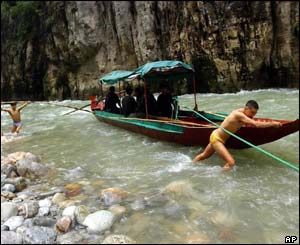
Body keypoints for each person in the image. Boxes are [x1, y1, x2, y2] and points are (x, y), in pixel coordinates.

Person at [192, 100, 282, 171]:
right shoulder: (238, 114)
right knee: (231, 163)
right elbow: (256, 124)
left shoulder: (243, 112)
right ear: (246, 108)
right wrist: (273, 124)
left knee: (203, 156)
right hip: (217, 139)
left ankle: (191, 165)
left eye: (255, 113)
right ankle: (217, 177)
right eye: (252, 112)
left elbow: (248, 121)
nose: (253, 115)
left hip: (216, 136)